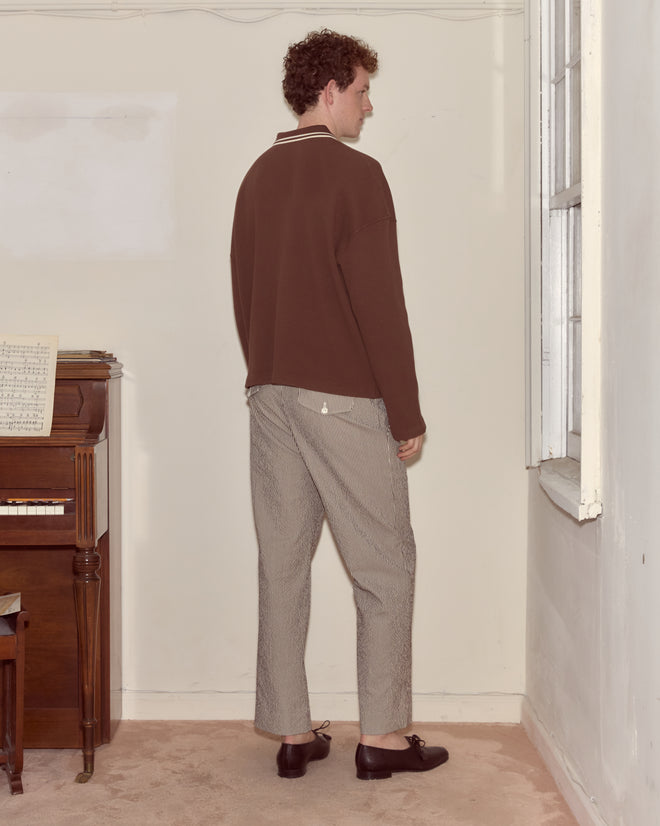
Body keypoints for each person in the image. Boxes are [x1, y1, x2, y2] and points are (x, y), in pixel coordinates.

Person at [231, 28, 448, 781]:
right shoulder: (358, 177)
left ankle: (292, 734)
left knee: (282, 564)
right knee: (385, 567)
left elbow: (244, 294)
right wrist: (408, 412)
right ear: (329, 92)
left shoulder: (257, 176)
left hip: (270, 397)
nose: (368, 104)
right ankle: (383, 739)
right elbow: (380, 305)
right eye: (361, 90)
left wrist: (265, 374)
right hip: (342, 400)